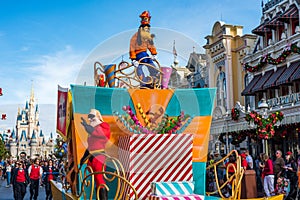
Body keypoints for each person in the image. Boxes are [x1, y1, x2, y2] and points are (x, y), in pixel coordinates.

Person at [80, 109, 111, 200]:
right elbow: (90, 146)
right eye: (89, 117)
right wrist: (84, 158)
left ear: (97, 116)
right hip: (91, 157)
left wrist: (87, 127)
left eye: (92, 117)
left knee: (99, 178)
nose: (90, 119)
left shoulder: (104, 126)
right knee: (95, 180)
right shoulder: (92, 130)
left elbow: (100, 134)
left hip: (99, 156)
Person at [129, 11, 159, 88]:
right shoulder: (135, 36)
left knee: (152, 66)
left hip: (145, 55)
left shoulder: (147, 36)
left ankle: (153, 80)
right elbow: (132, 47)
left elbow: (150, 45)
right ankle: (143, 83)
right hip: (138, 56)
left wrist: (154, 54)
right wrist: (133, 59)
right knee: (139, 69)